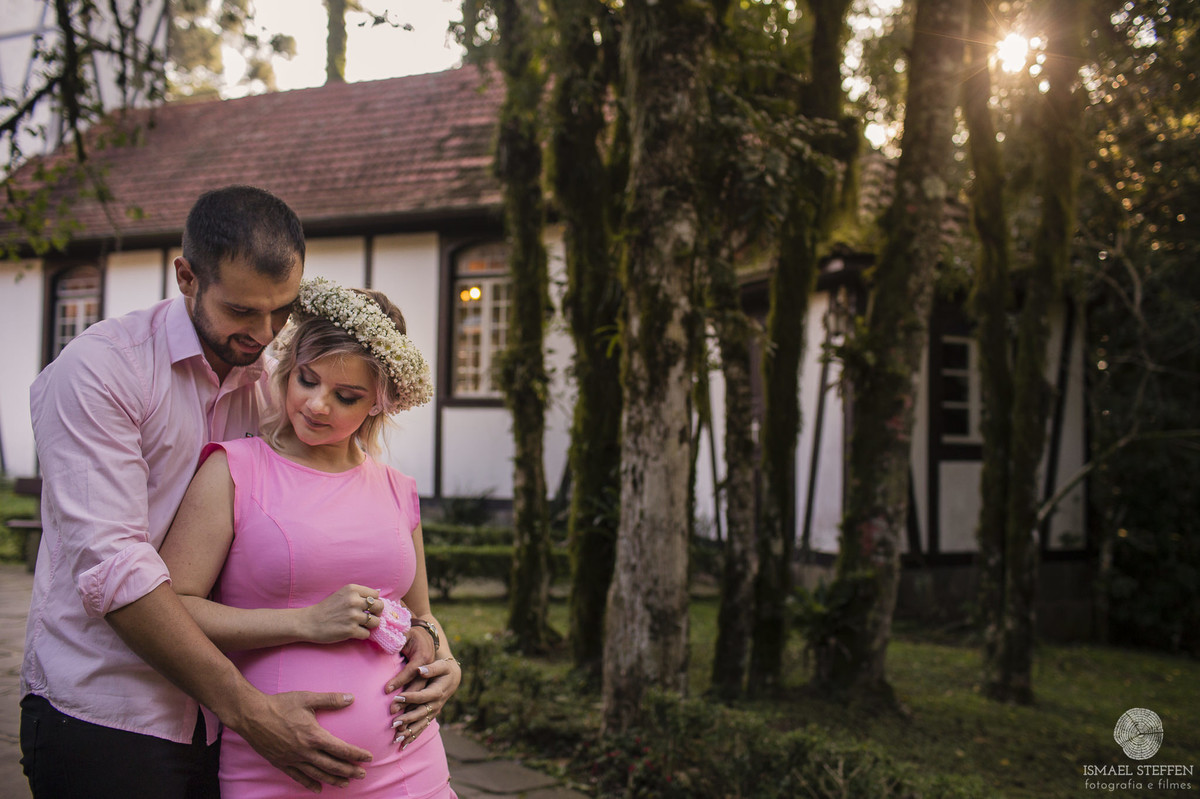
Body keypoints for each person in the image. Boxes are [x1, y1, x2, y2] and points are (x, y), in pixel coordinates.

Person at [19, 186, 449, 798]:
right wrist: (253, 711)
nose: (264, 333)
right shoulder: (101, 371)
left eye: (281, 312)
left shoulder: (268, 380)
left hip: (227, 730)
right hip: (113, 715)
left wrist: (435, 646)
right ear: (187, 277)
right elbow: (115, 569)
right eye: (243, 311)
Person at [159, 276, 460, 798]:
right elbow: (174, 606)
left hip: (412, 768)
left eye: (346, 396)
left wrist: (445, 658)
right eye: (307, 379)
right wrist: (305, 623)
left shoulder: (397, 489)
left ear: (378, 402)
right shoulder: (235, 469)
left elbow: (420, 615)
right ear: (288, 367)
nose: (318, 405)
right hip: (276, 766)